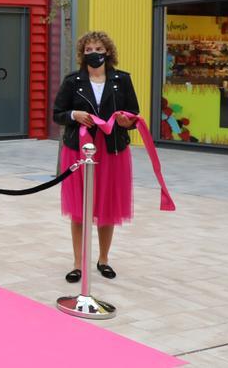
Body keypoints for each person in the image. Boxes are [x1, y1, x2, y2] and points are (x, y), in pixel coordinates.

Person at [52, 31, 139, 284]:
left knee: (107, 206)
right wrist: (73, 116)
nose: (94, 53)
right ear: (83, 53)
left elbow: (134, 113)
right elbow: (58, 113)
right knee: (80, 208)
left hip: (112, 149)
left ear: (108, 52)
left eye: (98, 49)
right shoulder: (72, 81)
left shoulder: (122, 80)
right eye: (89, 49)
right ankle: (78, 263)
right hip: (79, 149)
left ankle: (103, 259)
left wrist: (127, 121)